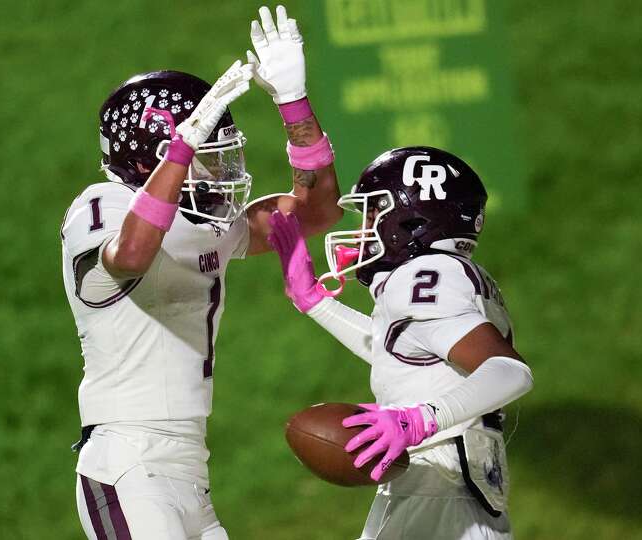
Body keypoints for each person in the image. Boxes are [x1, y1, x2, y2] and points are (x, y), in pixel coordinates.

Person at [59, 6, 341, 539]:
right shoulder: (101, 206)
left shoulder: (205, 221)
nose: (217, 170)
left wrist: (294, 106)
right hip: (127, 458)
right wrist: (183, 151)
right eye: (204, 153)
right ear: (153, 158)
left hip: (189, 465)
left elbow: (317, 213)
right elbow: (133, 255)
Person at [268, 146, 534, 539]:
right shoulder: (448, 273)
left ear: (410, 221)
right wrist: (314, 303)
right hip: (447, 485)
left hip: (440, 488)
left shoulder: (426, 273)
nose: (362, 229)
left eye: (373, 213)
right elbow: (403, 350)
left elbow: (509, 371)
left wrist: (418, 420)